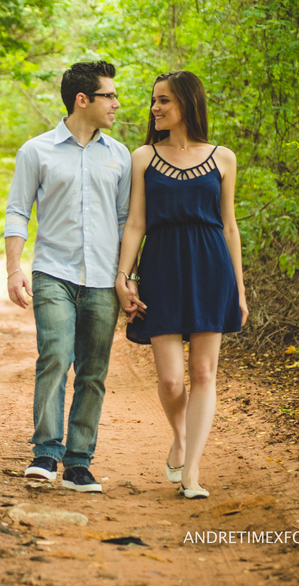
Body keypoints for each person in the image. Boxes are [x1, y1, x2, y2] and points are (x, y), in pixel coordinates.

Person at [115, 70, 249, 500]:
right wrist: (124, 276)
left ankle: (191, 472)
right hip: (162, 268)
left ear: (188, 103)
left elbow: (230, 227)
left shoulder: (223, 157)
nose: (155, 108)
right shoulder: (143, 158)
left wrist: (240, 291)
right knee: (172, 381)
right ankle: (180, 435)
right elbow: (136, 222)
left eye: (164, 100)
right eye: (154, 100)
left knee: (204, 372)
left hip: (212, 267)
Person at [5, 60, 131, 493]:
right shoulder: (36, 151)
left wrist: (126, 276)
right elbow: (18, 211)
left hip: (102, 279)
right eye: (109, 95)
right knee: (55, 357)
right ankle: (45, 453)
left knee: (93, 371)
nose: (116, 103)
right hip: (52, 273)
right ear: (83, 100)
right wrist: (13, 269)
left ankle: (79, 462)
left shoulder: (119, 156)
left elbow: (126, 222)